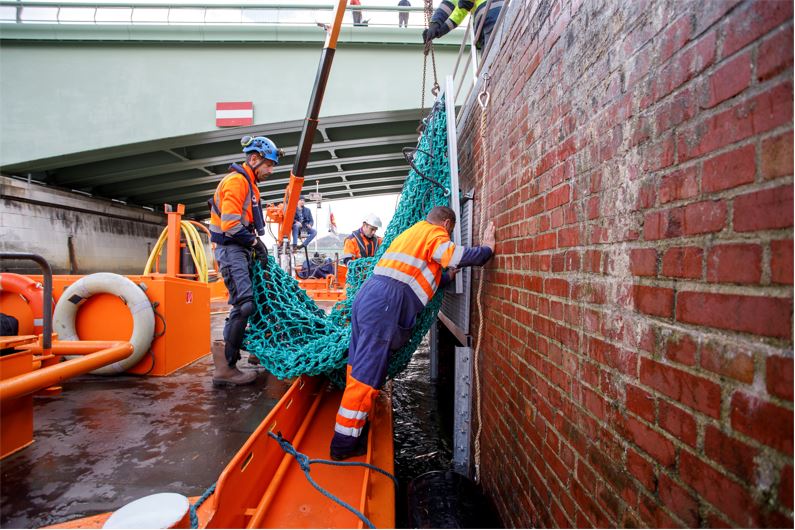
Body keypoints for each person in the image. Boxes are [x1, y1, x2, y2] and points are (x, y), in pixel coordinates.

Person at [330, 206, 496, 460]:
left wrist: (447, 277)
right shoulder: (434, 233)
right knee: (366, 377)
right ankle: (343, 443)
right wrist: (486, 251)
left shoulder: (412, 233)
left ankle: (354, 428)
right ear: (448, 224)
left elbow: (420, 275)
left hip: (370, 297)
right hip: (386, 305)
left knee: (358, 366)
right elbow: (450, 254)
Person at [209, 135, 280, 386]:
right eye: (268, 165)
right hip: (231, 250)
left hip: (240, 250)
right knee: (245, 305)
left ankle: (248, 352)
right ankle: (226, 367)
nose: (270, 170)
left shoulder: (250, 184)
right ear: (254, 159)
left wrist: (255, 245)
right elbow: (229, 225)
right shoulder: (238, 182)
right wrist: (254, 243)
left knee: (251, 303)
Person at [422, 0, 502, 49]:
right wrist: (436, 28)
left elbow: (459, 4)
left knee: (493, 58)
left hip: (492, 16)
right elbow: (456, 9)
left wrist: (437, 26)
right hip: (484, 25)